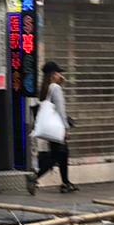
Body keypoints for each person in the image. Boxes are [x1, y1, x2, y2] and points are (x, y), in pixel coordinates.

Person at [36, 61, 77, 192]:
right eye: (59, 72)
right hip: (57, 127)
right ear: (53, 74)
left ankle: (66, 182)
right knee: (56, 156)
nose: (60, 75)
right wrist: (65, 128)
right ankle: (34, 176)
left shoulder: (44, 88)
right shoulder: (55, 88)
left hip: (49, 127)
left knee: (62, 154)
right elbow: (60, 109)